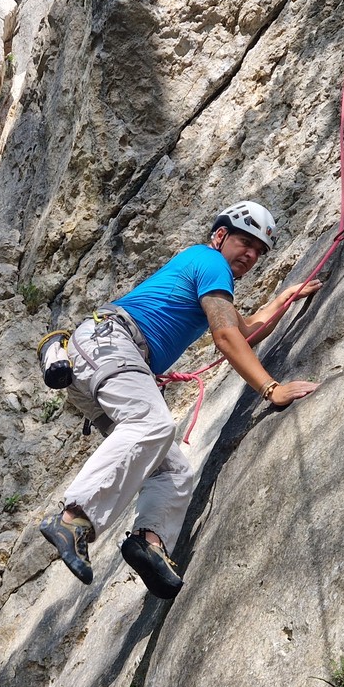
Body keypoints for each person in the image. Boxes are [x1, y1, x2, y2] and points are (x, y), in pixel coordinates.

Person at [39, 201, 321, 597]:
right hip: (112, 345)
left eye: (259, 251)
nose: (251, 254)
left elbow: (244, 331)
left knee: (172, 471)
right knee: (151, 424)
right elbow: (226, 338)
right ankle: (74, 518)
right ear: (220, 236)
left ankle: (149, 544)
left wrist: (284, 299)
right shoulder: (210, 261)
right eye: (245, 242)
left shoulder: (212, 276)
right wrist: (271, 389)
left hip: (98, 363)